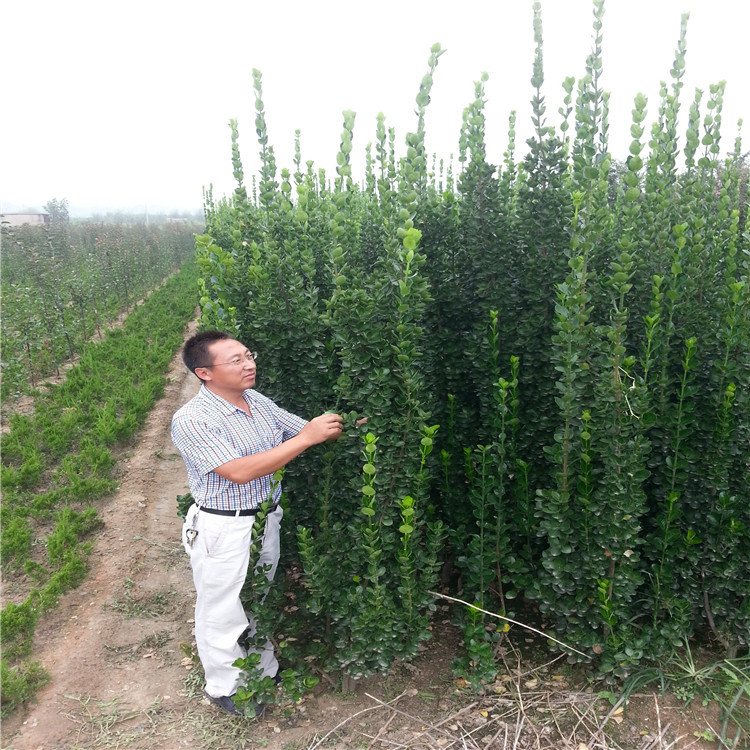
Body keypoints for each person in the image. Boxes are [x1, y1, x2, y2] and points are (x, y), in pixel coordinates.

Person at [171, 330, 343, 716]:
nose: (248, 364)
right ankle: (225, 686)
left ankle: (262, 671)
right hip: (223, 527)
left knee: (257, 600)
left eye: (248, 355)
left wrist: (330, 428)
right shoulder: (193, 420)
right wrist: (307, 438)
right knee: (221, 609)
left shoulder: (256, 401)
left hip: (265, 519)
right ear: (204, 372)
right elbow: (238, 471)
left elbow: (300, 429)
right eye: (235, 360)